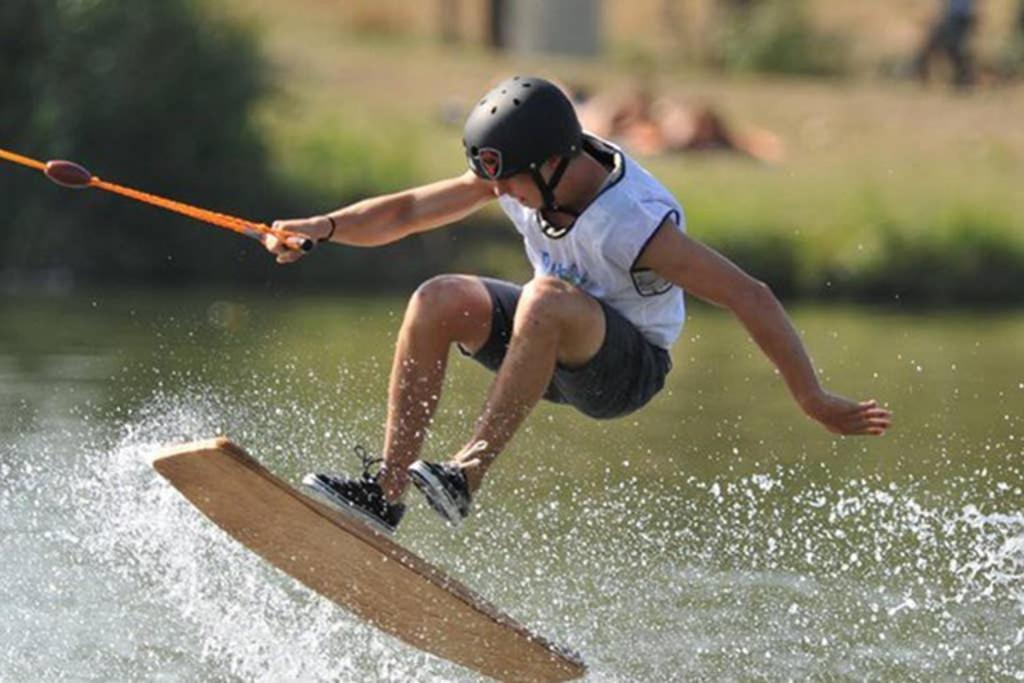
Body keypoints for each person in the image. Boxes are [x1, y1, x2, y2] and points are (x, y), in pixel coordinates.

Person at [264, 76, 892, 535]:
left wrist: (812, 398)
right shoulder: (525, 171)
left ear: (557, 163)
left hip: (624, 371)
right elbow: (407, 212)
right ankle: (386, 491)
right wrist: (322, 226)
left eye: (508, 180)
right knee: (437, 299)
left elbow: (749, 295)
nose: (498, 192)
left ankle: (466, 476)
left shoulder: (632, 225)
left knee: (544, 299)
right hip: (548, 341)